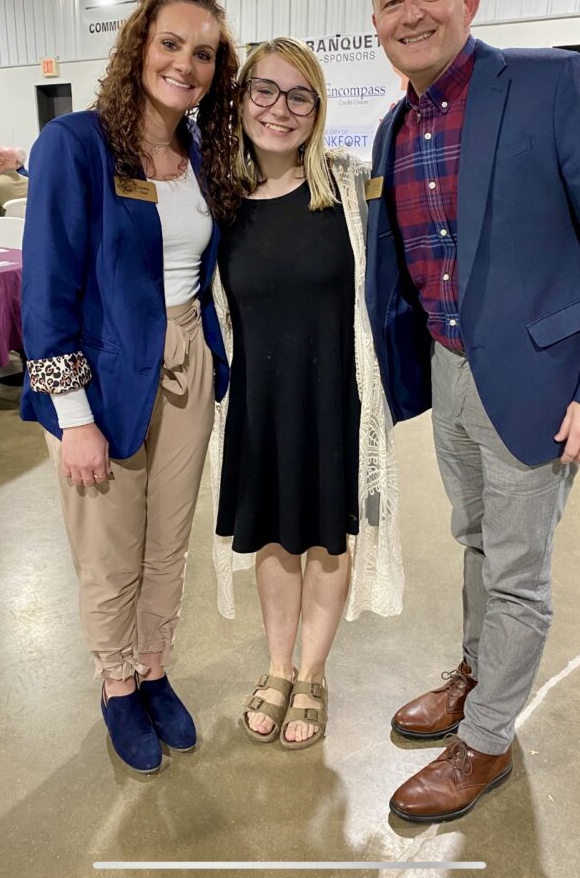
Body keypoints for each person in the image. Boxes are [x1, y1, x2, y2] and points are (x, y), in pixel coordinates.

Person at [367, 0, 580, 821]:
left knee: (517, 572)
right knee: (474, 539)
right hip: (450, 369)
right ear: (375, 21)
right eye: (392, 1)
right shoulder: (393, 128)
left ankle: (488, 738)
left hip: (542, 382)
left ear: (469, 0)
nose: (411, 13)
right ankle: (474, 671)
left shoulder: (557, 83)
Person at [20, 0, 238, 773]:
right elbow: (46, 291)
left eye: (204, 54)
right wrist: (72, 415)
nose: (185, 64)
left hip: (188, 362)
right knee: (109, 550)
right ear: (138, 47)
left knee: (168, 541)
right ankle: (116, 683)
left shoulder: (200, 154)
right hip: (105, 376)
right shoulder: (75, 144)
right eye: (170, 43)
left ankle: (153, 669)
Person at [211, 37, 403, 750]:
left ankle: (313, 675)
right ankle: (278, 666)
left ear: (318, 110)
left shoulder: (347, 188)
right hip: (256, 403)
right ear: (241, 99)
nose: (279, 109)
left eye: (300, 96)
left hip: (330, 399)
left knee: (324, 537)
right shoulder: (221, 199)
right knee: (270, 535)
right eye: (264, 91)